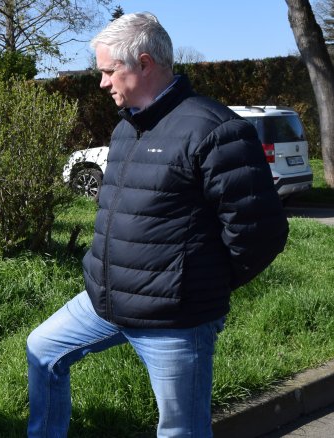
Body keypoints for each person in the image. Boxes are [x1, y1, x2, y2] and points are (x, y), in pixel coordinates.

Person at [26, 12, 289, 437]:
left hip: (175, 320)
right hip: (106, 303)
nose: (102, 82)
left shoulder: (215, 130)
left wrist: (195, 285)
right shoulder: (127, 128)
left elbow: (261, 233)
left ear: (144, 64)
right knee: (42, 350)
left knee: (180, 430)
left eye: (109, 71)